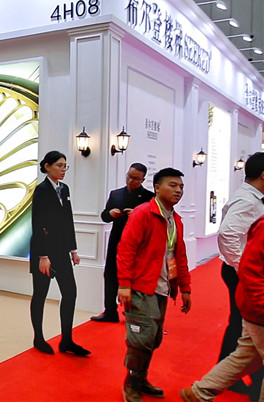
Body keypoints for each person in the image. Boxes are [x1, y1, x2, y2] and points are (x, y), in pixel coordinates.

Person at [117, 167, 192, 402]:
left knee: (153, 339)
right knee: (141, 339)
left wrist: (185, 288)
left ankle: (140, 378)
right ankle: (131, 383)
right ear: (157, 188)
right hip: (141, 287)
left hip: (162, 287)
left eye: (181, 187)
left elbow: (179, 256)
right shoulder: (142, 214)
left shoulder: (175, 219)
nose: (178, 190)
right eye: (173, 185)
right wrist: (124, 284)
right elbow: (125, 250)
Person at [180, 214, 264, 402]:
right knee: (247, 354)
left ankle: (199, 392)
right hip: (257, 306)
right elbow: (250, 267)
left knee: (248, 355)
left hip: (254, 304)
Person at [210, 152, 264, 398]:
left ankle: (229, 374)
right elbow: (227, 234)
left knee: (240, 323)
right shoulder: (248, 200)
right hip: (240, 271)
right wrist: (245, 268)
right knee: (247, 324)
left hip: (241, 270)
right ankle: (236, 376)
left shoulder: (252, 197)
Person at [29, 151, 89, 357]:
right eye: (59, 165)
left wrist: (73, 250)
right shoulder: (41, 190)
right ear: (47, 166)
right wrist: (42, 256)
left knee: (70, 293)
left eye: (65, 166)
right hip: (44, 253)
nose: (63, 170)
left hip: (62, 251)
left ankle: (67, 340)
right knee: (40, 294)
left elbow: (67, 221)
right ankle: (38, 338)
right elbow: (38, 224)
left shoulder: (64, 189)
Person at [92, 163, 154, 323]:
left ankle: (133, 311)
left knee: (135, 277)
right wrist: (110, 213)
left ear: (143, 180)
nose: (131, 180)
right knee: (110, 275)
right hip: (116, 240)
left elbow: (154, 222)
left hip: (138, 243)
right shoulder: (116, 194)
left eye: (136, 178)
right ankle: (110, 312)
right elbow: (104, 216)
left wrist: (138, 215)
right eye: (129, 176)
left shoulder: (149, 197)